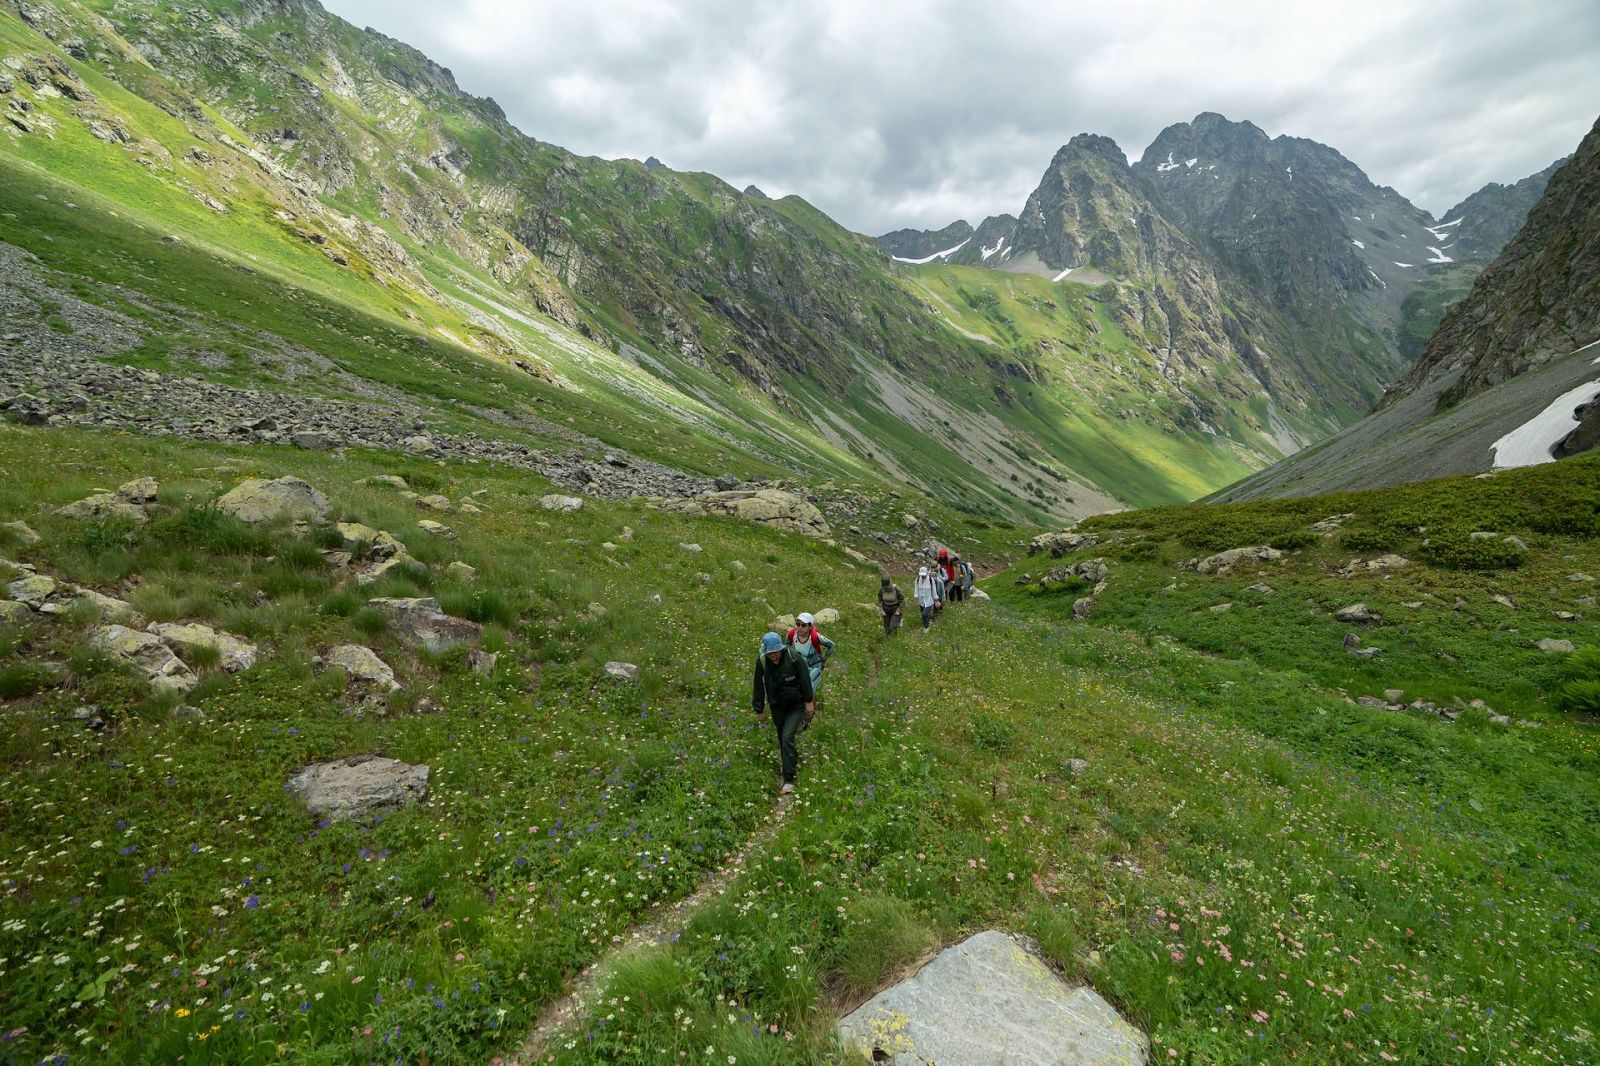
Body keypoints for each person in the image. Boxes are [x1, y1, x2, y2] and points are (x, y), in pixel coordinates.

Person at [752, 631, 814, 794]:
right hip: (777, 706)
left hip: (795, 705)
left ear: (781, 648)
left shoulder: (795, 658)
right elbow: (758, 684)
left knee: (787, 737)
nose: (773, 655)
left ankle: (789, 779)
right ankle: (790, 761)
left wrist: (809, 701)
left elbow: (805, 679)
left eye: (776, 652)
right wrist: (759, 709)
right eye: (770, 652)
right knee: (782, 737)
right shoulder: (762, 661)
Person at [787, 612, 835, 694]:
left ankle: (812, 705)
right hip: (799, 666)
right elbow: (786, 647)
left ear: (810, 626)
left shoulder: (816, 637)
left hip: (814, 667)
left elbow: (831, 645)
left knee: (809, 689)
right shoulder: (792, 634)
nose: (800, 627)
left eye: (803, 625)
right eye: (798, 624)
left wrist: (824, 659)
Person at [913, 566, 941, 630]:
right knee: (923, 614)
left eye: (924, 575)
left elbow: (934, 591)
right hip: (921, 601)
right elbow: (916, 590)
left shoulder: (931, 580)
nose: (923, 576)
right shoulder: (917, 580)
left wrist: (936, 600)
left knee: (924, 614)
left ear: (927, 573)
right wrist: (915, 599)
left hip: (929, 601)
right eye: (921, 575)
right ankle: (928, 622)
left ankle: (926, 627)